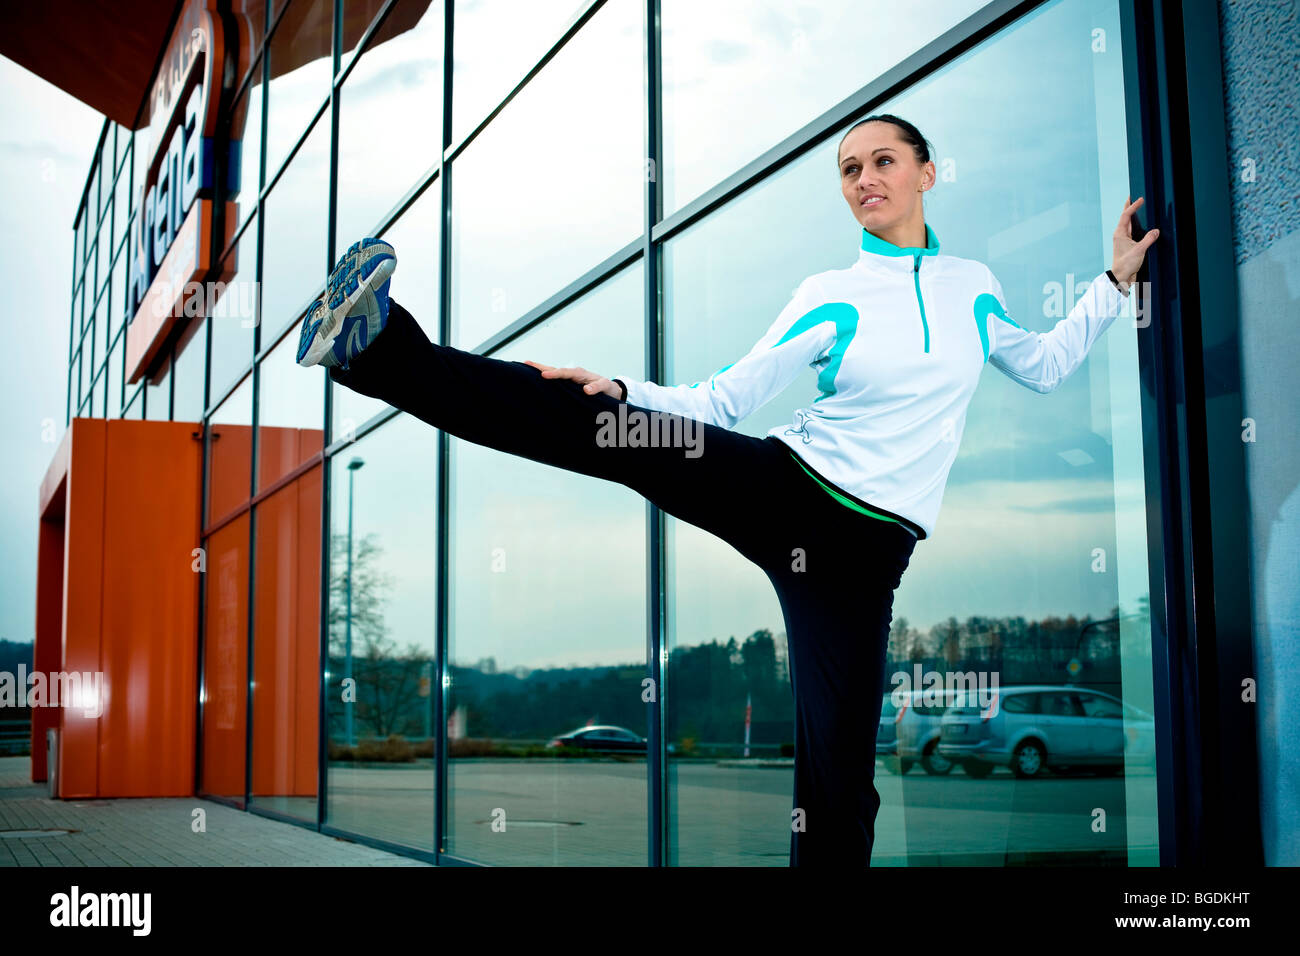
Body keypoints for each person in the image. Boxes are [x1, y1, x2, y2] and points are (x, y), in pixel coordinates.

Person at [295, 113, 1159, 867]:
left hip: (866, 560)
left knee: (839, 774)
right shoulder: (830, 295)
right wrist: (627, 391)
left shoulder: (974, 287)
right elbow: (726, 398)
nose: (865, 179)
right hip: (788, 489)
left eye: (883, 162)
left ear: (926, 174)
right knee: (605, 429)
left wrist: (1114, 281)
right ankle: (377, 350)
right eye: (850, 170)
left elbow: (1044, 365)